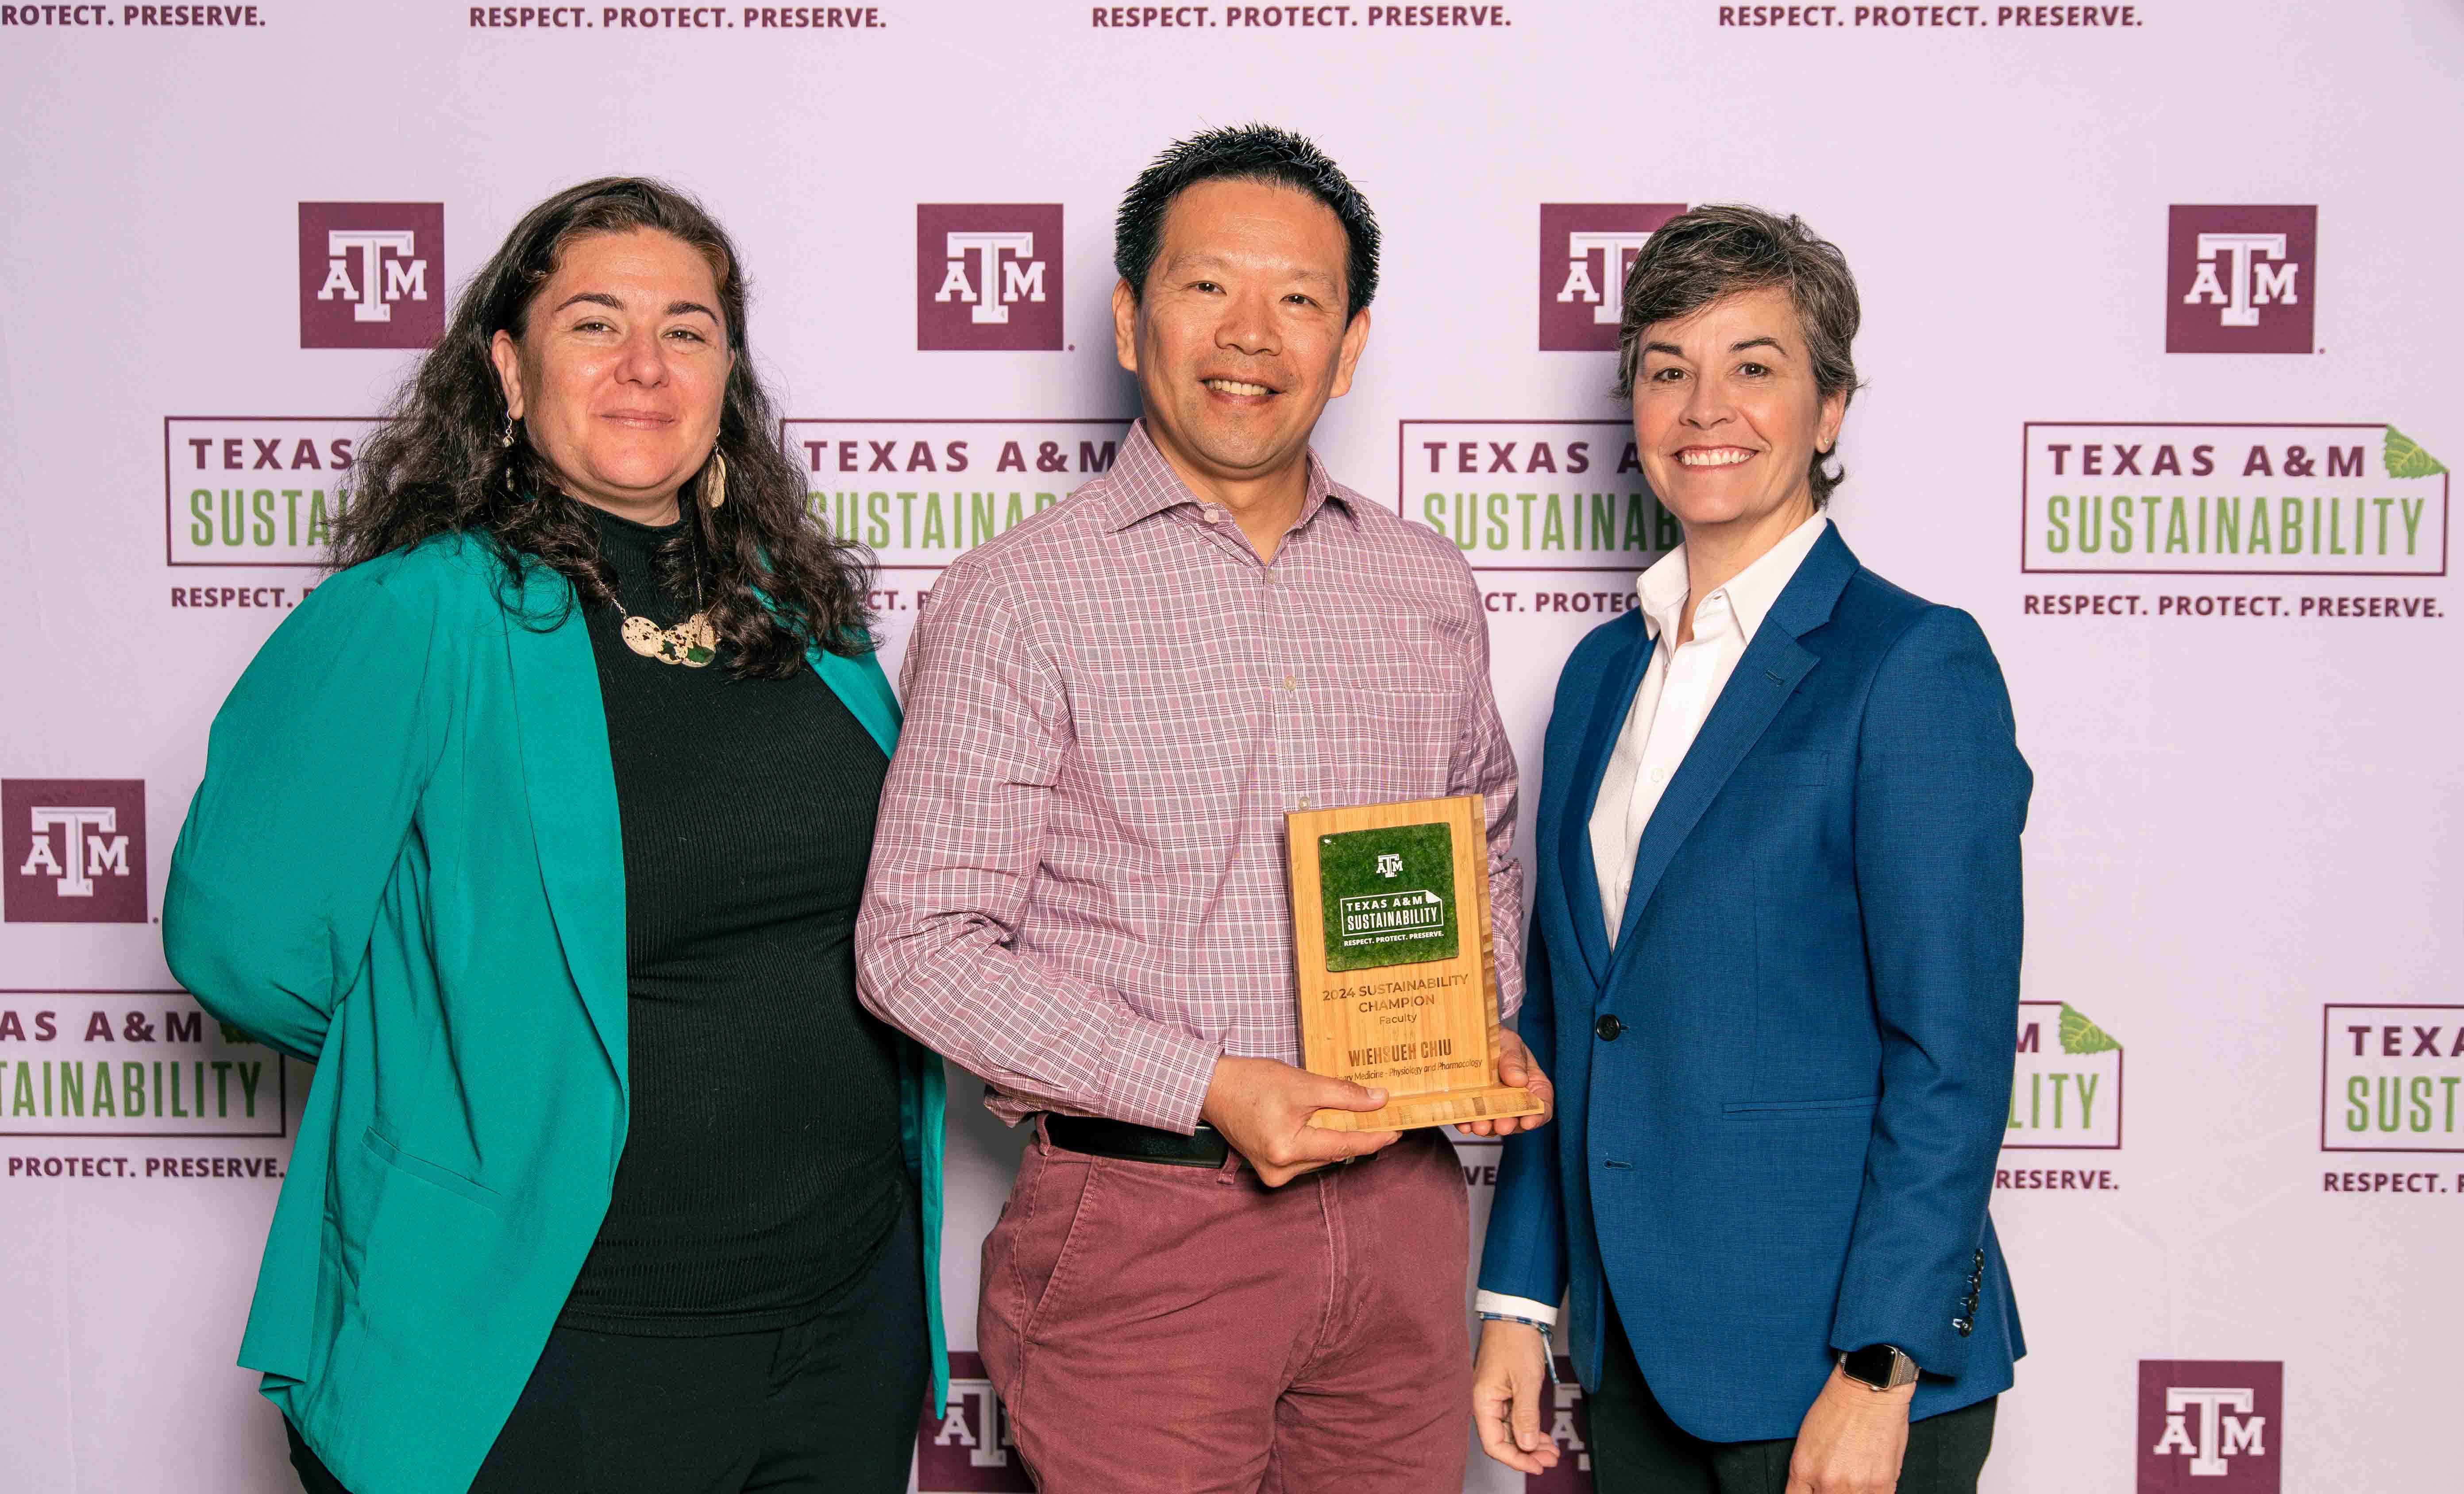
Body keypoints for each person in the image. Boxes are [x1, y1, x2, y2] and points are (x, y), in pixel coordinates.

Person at [164, 176, 946, 1494]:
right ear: (511, 373)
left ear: (729, 377)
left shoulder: (805, 621)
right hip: (556, 1339)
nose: (647, 365)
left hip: (836, 1323)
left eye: (689, 331)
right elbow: (243, 943)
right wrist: (466, 1036)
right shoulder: (420, 613)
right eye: (596, 324)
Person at [854, 124, 1549, 1493]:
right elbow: (917, 946)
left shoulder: (1422, 582)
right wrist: (1213, 1088)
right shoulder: (1019, 598)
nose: (1253, 335)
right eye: (1205, 287)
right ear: (1129, 318)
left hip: (1403, 1218)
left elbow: (1483, 835)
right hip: (1148, 1228)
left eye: (1299, 299)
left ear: (1349, 346)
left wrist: (1482, 1020)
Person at [1470, 206, 2028, 1494]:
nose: (1704, 405)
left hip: (1835, 1373)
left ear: (1829, 410)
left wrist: (1882, 1366)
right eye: (1668, 367)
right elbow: (1572, 1016)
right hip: (1635, 1363)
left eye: (1754, 366)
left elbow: (1951, 1054)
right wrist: (1518, 1294)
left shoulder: (1909, 664)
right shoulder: (1604, 672)